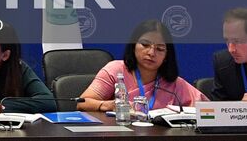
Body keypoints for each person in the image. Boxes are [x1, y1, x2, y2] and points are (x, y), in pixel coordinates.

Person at [79, 19, 207, 113]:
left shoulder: (175, 84)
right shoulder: (116, 70)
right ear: (133, 46)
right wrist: (108, 105)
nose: (151, 53)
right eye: (145, 45)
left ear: (166, 56)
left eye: (159, 49)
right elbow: (82, 103)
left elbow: (208, 109)